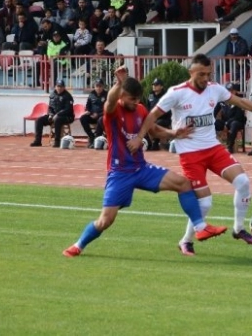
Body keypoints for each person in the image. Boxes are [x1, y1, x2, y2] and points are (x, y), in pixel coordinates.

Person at [128, 54, 252, 256]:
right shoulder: (176, 93)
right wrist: (146, 137)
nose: (205, 78)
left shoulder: (214, 89)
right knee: (205, 203)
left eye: (208, 74)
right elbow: (151, 116)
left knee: (243, 183)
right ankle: (186, 241)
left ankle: (238, 229)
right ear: (191, 72)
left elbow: (240, 102)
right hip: (190, 154)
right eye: (201, 74)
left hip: (213, 148)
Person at [62, 67, 228, 257]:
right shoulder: (113, 111)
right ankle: (78, 245)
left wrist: (174, 133)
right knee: (105, 221)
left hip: (141, 168)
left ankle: (200, 228)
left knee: (183, 183)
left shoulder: (140, 109)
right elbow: (108, 102)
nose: (136, 102)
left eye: (138, 98)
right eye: (132, 99)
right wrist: (118, 83)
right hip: (120, 173)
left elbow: (154, 130)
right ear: (122, 96)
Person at [30, 79, 74, 148]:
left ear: (64, 87)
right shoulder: (52, 95)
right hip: (54, 116)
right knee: (39, 120)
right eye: (58, 86)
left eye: (61, 87)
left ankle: (57, 142)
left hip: (67, 116)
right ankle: (37, 141)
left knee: (57, 120)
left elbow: (68, 109)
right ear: (55, 87)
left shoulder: (68, 96)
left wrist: (58, 114)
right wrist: (50, 114)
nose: (59, 88)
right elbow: (50, 107)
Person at [81, 79, 108, 148]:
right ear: (94, 87)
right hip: (92, 115)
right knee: (83, 118)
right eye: (97, 86)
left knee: (100, 119)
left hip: (102, 116)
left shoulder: (107, 95)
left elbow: (107, 108)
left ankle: (97, 139)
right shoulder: (91, 94)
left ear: (103, 87)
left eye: (100, 86)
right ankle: (91, 136)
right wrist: (89, 112)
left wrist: (98, 114)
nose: (98, 88)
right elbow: (88, 106)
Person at [146, 78, 172, 151]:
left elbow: (168, 111)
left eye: (156, 85)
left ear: (161, 87)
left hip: (164, 118)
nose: (154, 86)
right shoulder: (150, 96)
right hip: (153, 118)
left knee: (157, 123)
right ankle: (148, 143)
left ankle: (155, 142)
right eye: (153, 85)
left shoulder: (165, 96)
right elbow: (148, 108)